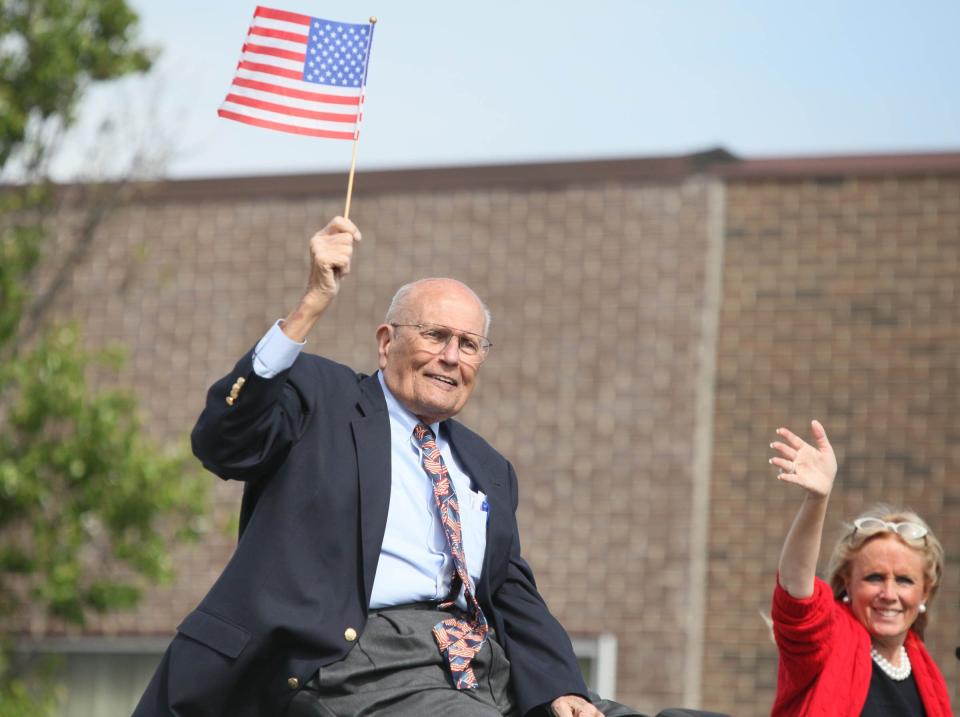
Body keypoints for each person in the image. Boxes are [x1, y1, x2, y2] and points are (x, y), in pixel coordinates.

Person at [133, 217, 643, 717]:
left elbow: (510, 593)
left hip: (473, 668)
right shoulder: (322, 398)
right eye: (435, 335)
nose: (451, 357)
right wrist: (311, 305)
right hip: (352, 660)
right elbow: (223, 442)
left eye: (469, 345)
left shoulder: (489, 468)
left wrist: (561, 686)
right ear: (385, 343)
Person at [768, 420, 953, 716]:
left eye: (904, 580)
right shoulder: (829, 640)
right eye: (875, 577)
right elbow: (796, 593)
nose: (889, 593)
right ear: (847, 582)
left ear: (925, 593)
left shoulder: (926, 672)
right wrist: (818, 499)